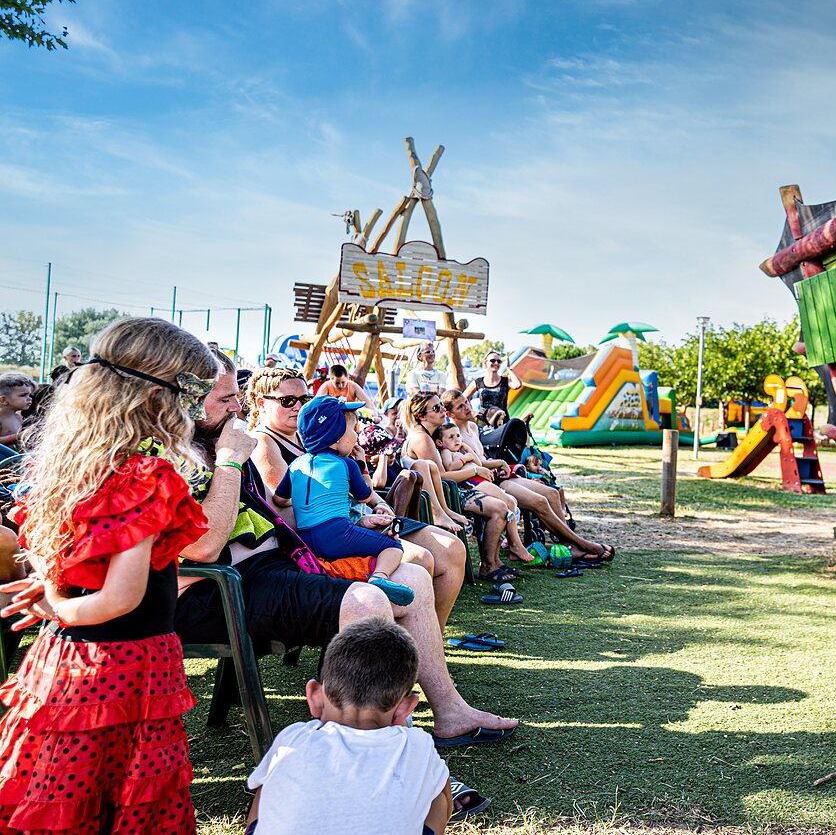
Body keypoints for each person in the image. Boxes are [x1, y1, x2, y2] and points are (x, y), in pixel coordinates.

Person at [175, 353, 516, 747]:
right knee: (368, 601)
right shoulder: (184, 455)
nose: (238, 406)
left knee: (415, 576)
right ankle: (377, 751)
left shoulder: (225, 441)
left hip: (276, 563)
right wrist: (231, 461)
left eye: (238, 395)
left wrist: (351, 520)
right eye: (225, 399)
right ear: (186, 398)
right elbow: (202, 545)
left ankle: (449, 711)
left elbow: (278, 510)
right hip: (222, 588)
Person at [0, 316, 218, 834]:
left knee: (62, 785)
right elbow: (121, 597)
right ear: (154, 397)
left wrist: (58, 595)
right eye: (189, 392)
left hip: (64, 657)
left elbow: (50, 556)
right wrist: (63, 607)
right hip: (127, 663)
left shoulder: (68, 465)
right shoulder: (145, 476)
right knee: (121, 790)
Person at [244, 618, 451, 835]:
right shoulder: (418, 744)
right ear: (405, 709)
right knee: (439, 792)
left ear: (314, 696)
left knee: (267, 780)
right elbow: (443, 801)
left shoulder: (293, 738)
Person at [272, 396, 417, 605]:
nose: (357, 434)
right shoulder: (346, 464)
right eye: (353, 430)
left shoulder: (296, 465)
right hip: (337, 533)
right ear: (336, 437)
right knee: (392, 546)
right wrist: (362, 467)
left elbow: (279, 498)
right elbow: (366, 496)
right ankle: (380, 578)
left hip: (306, 538)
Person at [441, 389, 613, 562]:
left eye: (466, 402)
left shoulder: (472, 427)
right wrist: (498, 463)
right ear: (449, 413)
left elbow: (483, 458)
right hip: (490, 480)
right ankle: (581, 544)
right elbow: (471, 464)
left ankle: (569, 544)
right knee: (540, 502)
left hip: (498, 473)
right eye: (460, 406)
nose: (467, 407)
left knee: (552, 493)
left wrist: (500, 464)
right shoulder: (453, 436)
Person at [404, 393, 526, 581]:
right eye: (436, 408)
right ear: (422, 416)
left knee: (503, 504)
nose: (442, 411)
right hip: (439, 496)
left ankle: (494, 562)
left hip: (446, 492)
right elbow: (444, 476)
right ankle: (489, 565)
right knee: (499, 508)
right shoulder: (422, 439)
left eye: (441, 406)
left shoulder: (429, 436)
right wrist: (475, 471)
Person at [0, 372, 35, 452]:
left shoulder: (18, 417)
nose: (29, 398)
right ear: (3, 400)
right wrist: (17, 436)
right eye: (23, 395)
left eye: (29, 395)